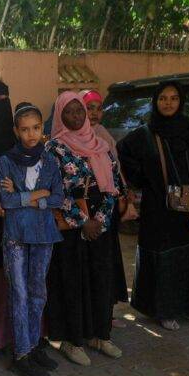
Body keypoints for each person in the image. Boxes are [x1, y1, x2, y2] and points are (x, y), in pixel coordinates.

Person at [117, 81, 189, 330]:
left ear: (181, 101)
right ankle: (163, 310)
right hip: (159, 208)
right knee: (164, 257)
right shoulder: (145, 134)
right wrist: (143, 178)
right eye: (163, 98)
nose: (168, 103)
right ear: (156, 101)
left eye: (173, 98)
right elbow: (122, 153)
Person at [45, 92, 125, 363]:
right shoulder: (54, 148)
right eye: (70, 111)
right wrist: (83, 221)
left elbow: (113, 188)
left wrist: (100, 222)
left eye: (80, 111)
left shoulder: (101, 145)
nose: (77, 116)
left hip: (100, 227)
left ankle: (100, 334)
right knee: (73, 282)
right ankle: (72, 340)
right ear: (60, 115)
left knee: (100, 279)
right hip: (71, 228)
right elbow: (53, 192)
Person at [0, 103, 64, 376]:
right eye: (24, 129)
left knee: (39, 291)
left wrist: (30, 196)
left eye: (36, 128)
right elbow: (7, 202)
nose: (31, 134)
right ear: (16, 131)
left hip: (44, 234)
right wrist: (39, 194)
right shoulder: (6, 161)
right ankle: (21, 354)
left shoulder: (50, 162)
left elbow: (59, 197)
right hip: (16, 235)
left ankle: (34, 346)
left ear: (42, 129)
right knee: (20, 293)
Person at [83, 88, 131, 312]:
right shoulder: (74, 137)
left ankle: (107, 310)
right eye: (88, 108)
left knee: (107, 258)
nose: (94, 113)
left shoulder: (103, 134)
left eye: (98, 108)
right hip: (85, 209)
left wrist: (123, 192)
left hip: (107, 207)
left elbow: (114, 168)